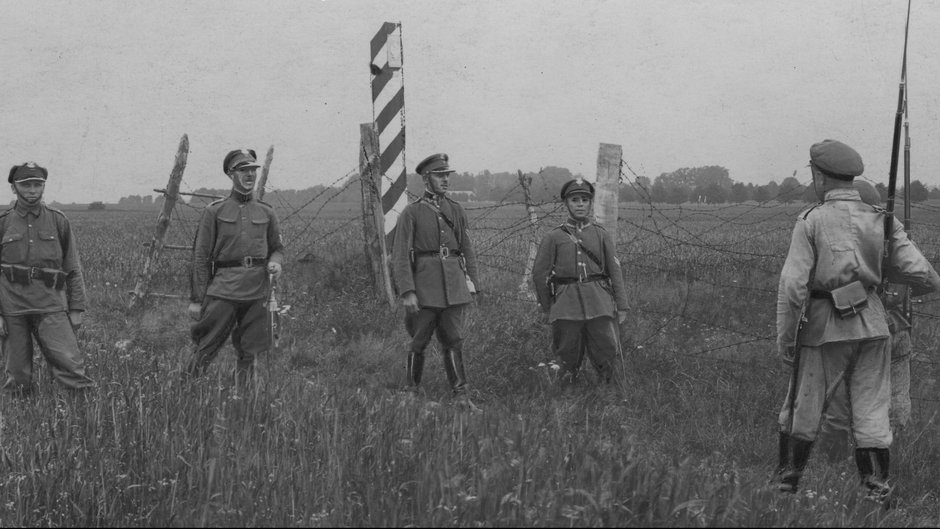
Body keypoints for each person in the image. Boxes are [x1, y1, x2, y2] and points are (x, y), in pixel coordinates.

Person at [774, 140, 940, 502]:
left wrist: (787, 340)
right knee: (872, 412)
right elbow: (926, 277)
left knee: (804, 407)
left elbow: (792, 287)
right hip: (875, 325)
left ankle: (785, 488)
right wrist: (878, 279)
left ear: (820, 177)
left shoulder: (811, 220)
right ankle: (876, 492)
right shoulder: (884, 219)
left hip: (823, 327)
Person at [815, 180, 915, 461]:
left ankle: (836, 457)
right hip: (895, 327)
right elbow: (911, 283)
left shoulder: (837, 241)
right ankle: (896, 451)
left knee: (840, 398)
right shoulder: (890, 237)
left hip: (854, 328)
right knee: (894, 398)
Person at [187, 149, 284, 386]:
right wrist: (197, 299)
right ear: (231, 174)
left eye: (253, 170)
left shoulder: (267, 211)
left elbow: (278, 248)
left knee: (250, 350)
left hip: (257, 292)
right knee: (207, 345)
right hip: (224, 290)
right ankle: (186, 390)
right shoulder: (214, 211)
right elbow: (200, 257)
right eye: (243, 170)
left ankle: (243, 396)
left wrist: (275, 262)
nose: (250, 175)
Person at [0, 162, 94, 394]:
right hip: (13, 308)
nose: (32, 190)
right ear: (14, 188)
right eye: (26, 185)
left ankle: (80, 410)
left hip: (51, 305)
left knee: (71, 367)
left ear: (43, 187)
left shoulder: (58, 220)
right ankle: (20, 414)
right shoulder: (3, 222)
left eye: (37, 185)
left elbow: (72, 267)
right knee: (17, 377)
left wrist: (76, 308)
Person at [391, 153, 479, 397]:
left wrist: (474, 284)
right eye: (439, 175)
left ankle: (460, 394)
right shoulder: (412, 212)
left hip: (454, 287)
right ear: (426, 179)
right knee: (419, 340)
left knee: (454, 340)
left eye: (447, 175)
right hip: (425, 288)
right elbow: (400, 255)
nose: (445, 180)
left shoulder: (456, 210)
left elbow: (467, 249)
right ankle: (411, 391)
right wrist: (408, 291)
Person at [531, 179, 628, 385]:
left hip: (599, 303)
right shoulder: (554, 237)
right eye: (575, 200)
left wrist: (622, 305)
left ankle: (607, 391)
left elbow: (615, 271)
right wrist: (548, 307)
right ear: (566, 203)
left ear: (591, 203)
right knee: (567, 352)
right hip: (566, 305)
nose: (580, 204)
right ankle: (568, 392)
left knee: (606, 349)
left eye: (585, 200)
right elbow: (539, 274)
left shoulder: (601, 234)